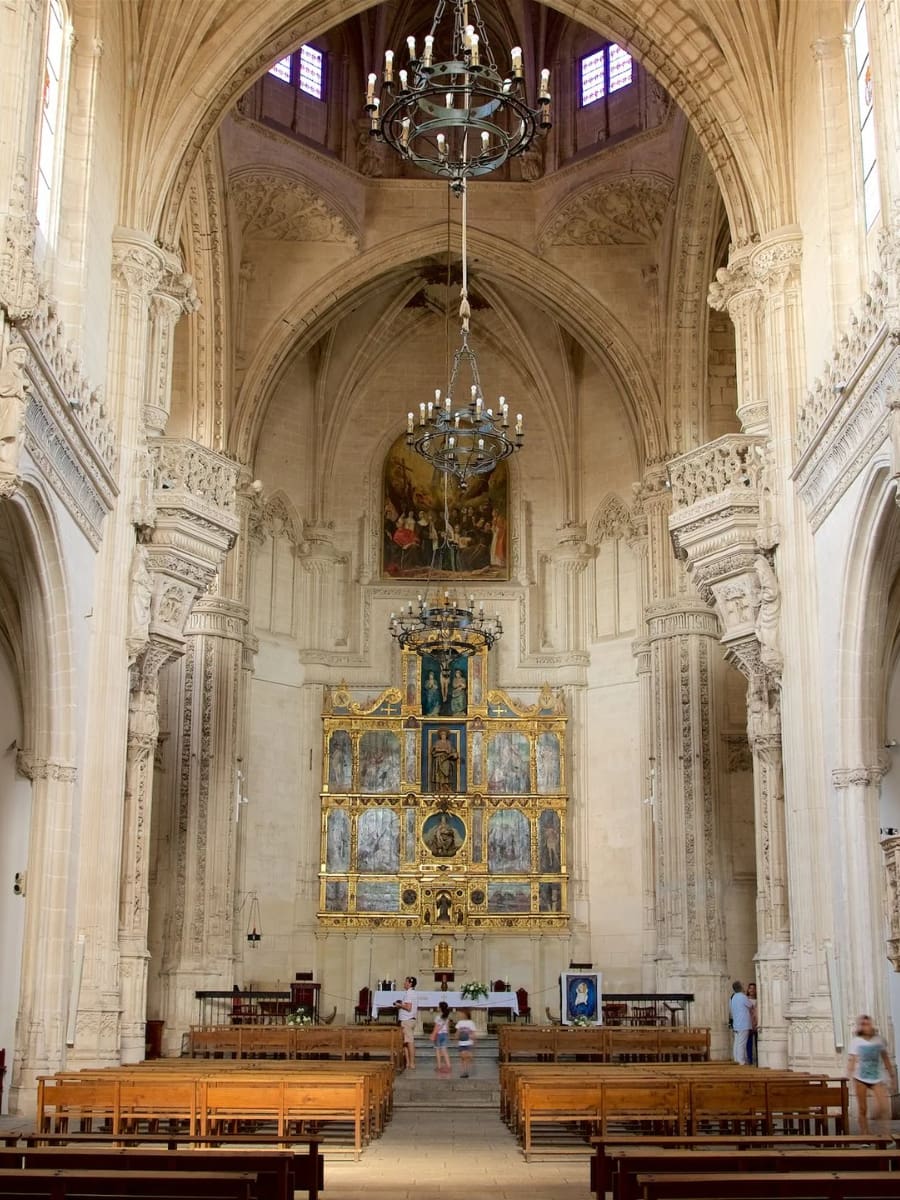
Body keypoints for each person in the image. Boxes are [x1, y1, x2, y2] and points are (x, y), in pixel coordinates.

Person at [847, 1014, 896, 1134]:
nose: (866, 1027)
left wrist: (892, 1076)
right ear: (860, 1027)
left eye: (867, 1024)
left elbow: (885, 1058)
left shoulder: (879, 1040)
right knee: (863, 1108)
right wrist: (849, 1077)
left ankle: (884, 1134)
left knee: (883, 1107)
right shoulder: (856, 1042)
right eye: (863, 1024)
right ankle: (865, 1134)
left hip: (876, 1077)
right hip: (860, 1077)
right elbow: (852, 1060)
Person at [393, 975, 418, 1070]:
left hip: (407, 1021)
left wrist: (399, 1005)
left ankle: (412, 1063)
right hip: (408, 1020)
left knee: (410, 1042)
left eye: (406, 981)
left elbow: (408, 1008)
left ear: (410, 983)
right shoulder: (412, 993)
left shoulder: (409, 993)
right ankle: (407, 1063)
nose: (404, 983)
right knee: (405, 1042)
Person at [729, 980, 753, 1065]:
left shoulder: (732, 997)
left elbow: (730, 1010)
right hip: (743, 1023)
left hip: (736, 1023)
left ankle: (736, 1059)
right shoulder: (742, 996)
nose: (744, 986)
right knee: (742, 1044)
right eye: (743, 984)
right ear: (740, 987)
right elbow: (750, 1005)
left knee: (737, 1043)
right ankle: (741, 1061)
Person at [430, 1000, 451, 1075]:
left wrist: (433, 1035)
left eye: (438, 1006)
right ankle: (448, 1066)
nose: (437, 1007)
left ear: (441, 1008)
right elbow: (448, 1028)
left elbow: (436, 1027)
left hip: (438, 1035)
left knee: (437, 1051)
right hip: (445, 1034)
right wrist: (448, 1035)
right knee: (444, 1051)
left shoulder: (438, 1017)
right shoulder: (447, 1017)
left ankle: (439, 1066)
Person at [455, 1007, 476, 1077]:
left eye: (462, 1014)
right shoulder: (460, 1022)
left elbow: (473, 1033)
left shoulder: (471, 1022)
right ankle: (464, 1071)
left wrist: (473, 1040)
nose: (461, 1015)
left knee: (465, 1058)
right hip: (461, 1043)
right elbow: (457, 1032)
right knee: (462, 1058)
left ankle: (465, 1071)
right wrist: (456, 1037)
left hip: (468, 1043)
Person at [746, 981, 759, 1066]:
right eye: (750, 988)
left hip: (757, 1024)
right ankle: (749, 1060)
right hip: (748, 1024)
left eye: (754, 988)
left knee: (758, 1044)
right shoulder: (745, 999)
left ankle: (759, 1060)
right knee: (749, 1044)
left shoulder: (758, 1000)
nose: (752, 990)